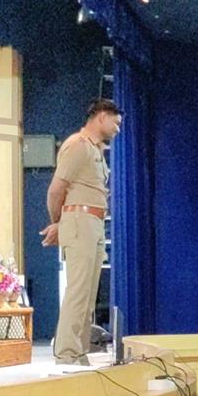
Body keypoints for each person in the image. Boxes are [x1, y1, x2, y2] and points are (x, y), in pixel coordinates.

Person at [41, 97, 122, 365]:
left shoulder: (95, 149)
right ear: (102, 117)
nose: (117, 129)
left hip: (94, 222)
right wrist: (58, 222)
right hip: (79, 220)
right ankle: (66, 354)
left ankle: (79, 350)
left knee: (88, 295)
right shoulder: (77, 145)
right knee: (78, 292)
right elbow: (56, 190)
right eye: (116, 123)